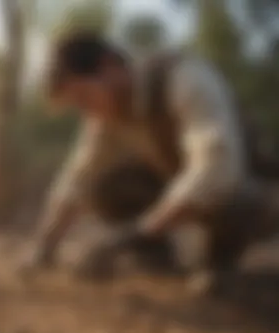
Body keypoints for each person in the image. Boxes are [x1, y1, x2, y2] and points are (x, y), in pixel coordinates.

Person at [28, 31, 276, 290]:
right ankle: (156, 260)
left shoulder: (186, 79)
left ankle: (219, 261)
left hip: (249, 188)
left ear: (110, 66)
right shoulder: (105, 117)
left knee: (235, 198)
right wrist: (45, 245)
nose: (85, 111)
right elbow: (77, 179)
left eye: (84, 97)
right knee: (107, 187)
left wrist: (132, 235)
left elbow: (218, 170)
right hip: (187, 187)